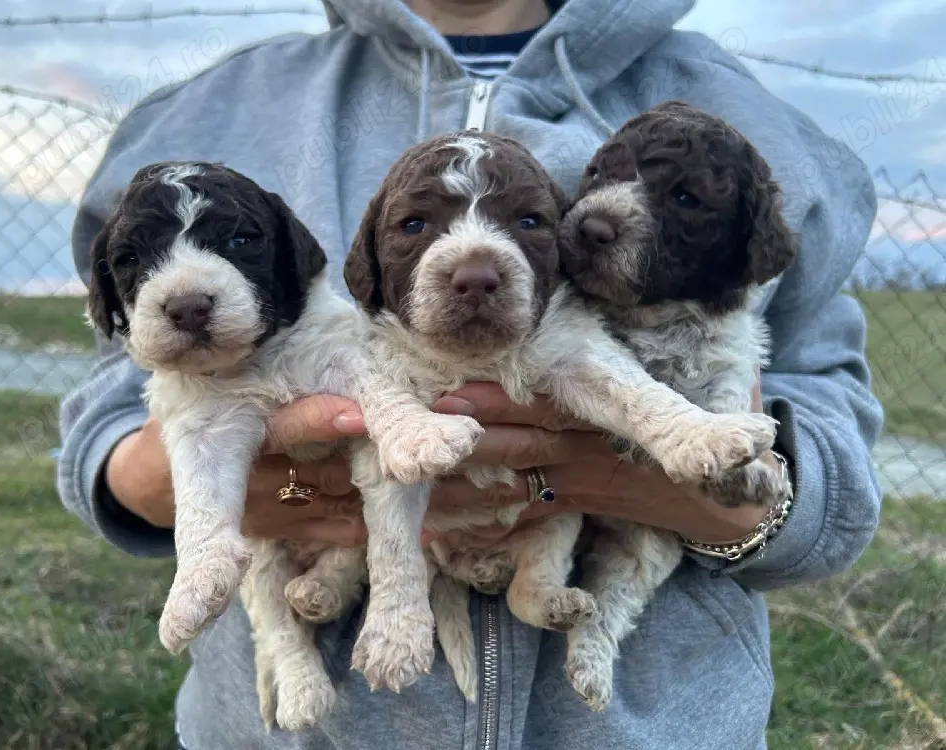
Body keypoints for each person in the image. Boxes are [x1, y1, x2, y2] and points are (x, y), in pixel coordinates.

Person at [57, 1, 884, 748]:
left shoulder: (752, 117)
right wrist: (209, 481)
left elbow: (835, 444)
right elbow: (110, 408)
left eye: (533, 221)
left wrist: (718, 495)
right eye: (415, 225)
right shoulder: (201, 107)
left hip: (658, 726)